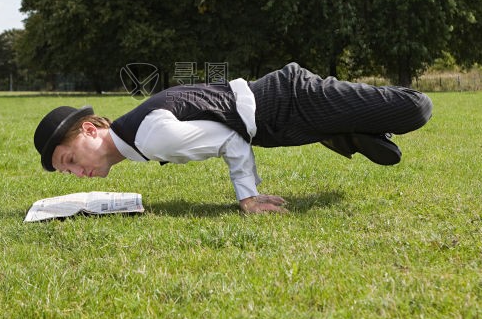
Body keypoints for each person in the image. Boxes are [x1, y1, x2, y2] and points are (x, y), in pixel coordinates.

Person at [33, 62, 432, 214]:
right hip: (278, 124)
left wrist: (248, 197)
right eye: (66, 173)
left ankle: (346, 132)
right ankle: (346, 132)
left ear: (89, 130)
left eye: (69, 160)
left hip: (290, 100)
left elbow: (229, 139)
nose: (76, 173)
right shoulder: (135, 137)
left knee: (416, 109)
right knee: (387, 148)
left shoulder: (150, 136)